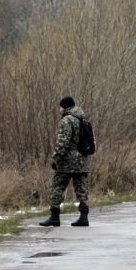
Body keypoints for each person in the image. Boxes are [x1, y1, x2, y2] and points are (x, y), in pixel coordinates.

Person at [40, 96, 91, 227]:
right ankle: (84, 217)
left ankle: (54, 216)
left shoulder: (66, 120)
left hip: (67, 162)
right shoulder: (82, 118)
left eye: (60, 107)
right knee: (82, 189)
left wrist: (56, 158)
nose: (59, 109)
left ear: (65, 107)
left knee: (57, 187)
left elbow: (63, 142)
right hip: (83, 161)